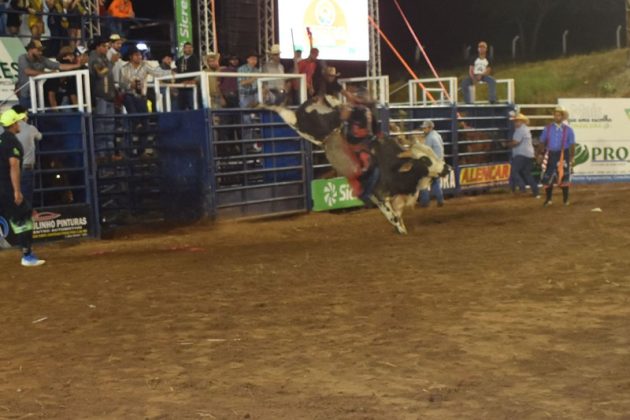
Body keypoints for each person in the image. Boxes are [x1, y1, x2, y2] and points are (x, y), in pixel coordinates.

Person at [0, 108, 46, 267]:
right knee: (24, 217)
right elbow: (13, 166)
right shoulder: (12, 142)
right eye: (17, 122)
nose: (19, 124)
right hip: (6, 187)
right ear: (13, 124)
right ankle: (27, 254)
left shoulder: (1, 140)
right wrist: (17, 191)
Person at [16, 39, 84, 109]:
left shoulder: (42, 59)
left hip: (38, 95)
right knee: (25, 114)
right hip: (25, 95)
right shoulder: (22, 58)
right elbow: (28, 72)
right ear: (30, 49)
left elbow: (59, 66)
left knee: (39, 114)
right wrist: (48, 73)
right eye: (38, 50)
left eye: (41, 50)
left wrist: (76, 65)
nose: (41, 52)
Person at [89, 36, 119, 160]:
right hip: (100, 97)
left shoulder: (102, 58)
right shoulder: (94, 58)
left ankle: (109, 153)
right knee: (101, 126)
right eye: (104, 46)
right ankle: (101, 154)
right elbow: (101, 73)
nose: (106, 48)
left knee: (109, 126)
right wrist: (112, 62)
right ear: (97, 47)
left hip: (107, 97)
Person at [539, 106, 575, 207]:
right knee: (548, 176)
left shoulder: (568, 130)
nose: (557, 117)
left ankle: (565, 200)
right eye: (555, 115)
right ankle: (548, 199)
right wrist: (541, 154)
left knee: (564, 176)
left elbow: (572, 144)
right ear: (553, 116)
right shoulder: (548, 128)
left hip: (563, 154)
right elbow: (542, 141)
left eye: (559, 115)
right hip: (550, 154)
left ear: (562, 117)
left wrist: (572, 157)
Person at [9, 105, 42, 206]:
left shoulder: (5, 129)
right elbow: (39, 136)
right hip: (26, 168)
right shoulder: (30, 128)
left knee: (11, 198)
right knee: (26, 199)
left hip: (10, 169)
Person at [505, 112, 539, 198]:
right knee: (527, 173)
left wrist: (506, 145)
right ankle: (536, 191)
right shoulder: (525, 129)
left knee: (514, 171)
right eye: (515, 121)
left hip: (521, 154)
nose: (515, 123)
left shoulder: (520, 130)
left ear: (522, 121)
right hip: (529, 155)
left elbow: (516, 142)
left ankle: (522, 187)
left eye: (517, 121)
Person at [419, 120, 445, 207]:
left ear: (430, 128)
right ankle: (440, 199)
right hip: (439, 163)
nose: (423, 130)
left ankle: (424, 202)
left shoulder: (429, 138)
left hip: (432, 164)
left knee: (423, 181)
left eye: (425, 128)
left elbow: (426, 152)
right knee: (435, 181)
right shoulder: (437, 135)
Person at [43, 46, 78, 110]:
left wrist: (79, 111)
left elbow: (73, 96)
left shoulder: (70, 79)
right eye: (70, 55)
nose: (73, 57)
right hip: (49, 109)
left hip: (64, 107)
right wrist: (56, 113)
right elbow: (51, 97)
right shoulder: (54, 78)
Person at [175, 42, 201, 110]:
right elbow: (178, 72)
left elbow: (198, 72)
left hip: (191, 87)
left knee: (193, 106)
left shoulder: (195, 59)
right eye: (187, 47)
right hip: (180, 87)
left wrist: (192, 81)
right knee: (180, 107)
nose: (189, 49)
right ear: (183, 49)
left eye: (190, 48)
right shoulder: (179, 60)